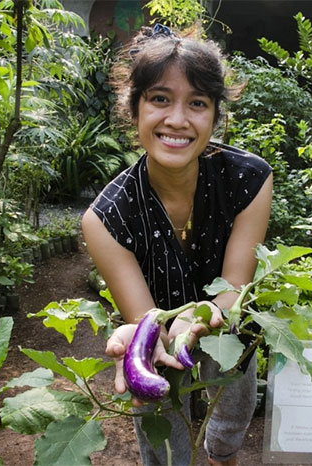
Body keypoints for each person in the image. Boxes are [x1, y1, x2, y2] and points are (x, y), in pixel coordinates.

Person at [81, 23, 273, 466]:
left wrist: (206, 316)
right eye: (160, 99)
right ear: (135, 110)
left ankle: (223, 455)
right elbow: (147, 320)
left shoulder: (249, 180)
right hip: (162, 344)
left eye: (198, 103)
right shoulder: (105, 218)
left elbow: (232, 291)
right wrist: (144, 341)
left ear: (215, 116)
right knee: (164, 440)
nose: (177, 119)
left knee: (231, 409)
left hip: (230, 326)